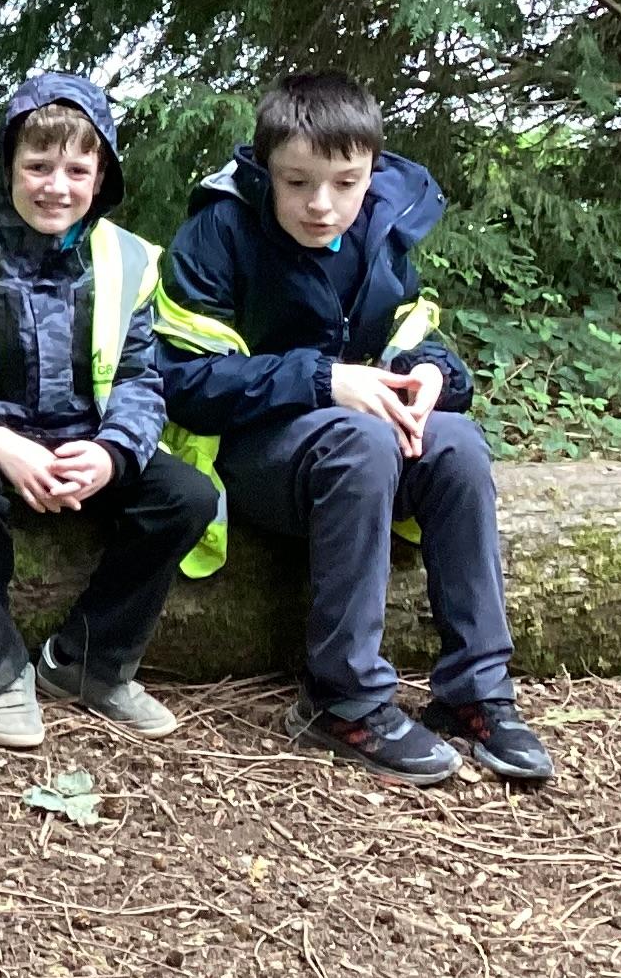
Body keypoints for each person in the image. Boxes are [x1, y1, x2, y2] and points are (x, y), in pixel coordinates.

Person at [157, 71, 554, 784]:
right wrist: (323, 380)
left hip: (353, 452)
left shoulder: (380, 228)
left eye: (346, 183)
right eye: (298, 183)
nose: (322, 204)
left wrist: (433, 374)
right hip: (247, 456)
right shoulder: (218, 232)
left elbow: (412, 333)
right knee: (362, 440)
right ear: (265, 170)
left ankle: (476, 691)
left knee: (459, 444)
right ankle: (342, 699)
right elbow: (182, 382)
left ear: (370, 171)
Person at [0, 74, 220, 747]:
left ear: (102, 177)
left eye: (76, 170)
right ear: (8, 167)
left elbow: (139, 377)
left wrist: (112, 452)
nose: (56, 187)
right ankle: (2, 670)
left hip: (84, 445)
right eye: (37, 166)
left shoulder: (127, 260)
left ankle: (87, 660)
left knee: (186, 496)